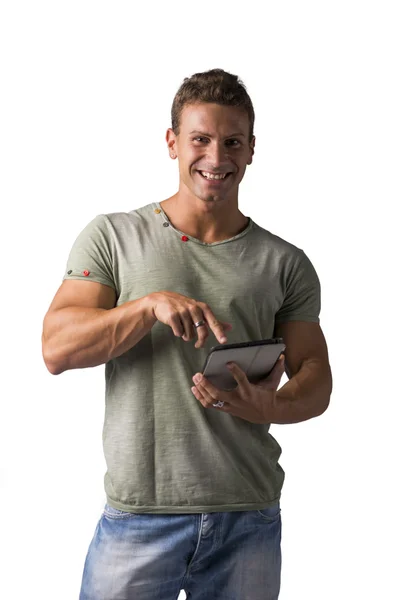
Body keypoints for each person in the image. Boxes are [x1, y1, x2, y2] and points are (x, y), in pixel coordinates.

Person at [42, 68, 332, 600]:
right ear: (172, 142)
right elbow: (57, 348)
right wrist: (147, 306)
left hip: (247, 516)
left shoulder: (286, 263)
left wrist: (272, 406)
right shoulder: (112, 236)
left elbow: (316, 377)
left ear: (250, 151)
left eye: (232, 142)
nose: (215, 158)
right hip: (138, 519)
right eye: (200, 139)